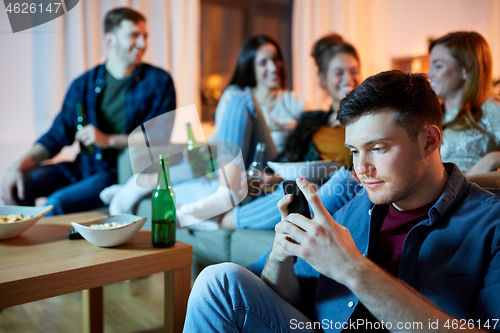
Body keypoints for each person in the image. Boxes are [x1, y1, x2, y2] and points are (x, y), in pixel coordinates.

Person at [183, 70, 500, 332]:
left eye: (377, 148)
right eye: (354, 151)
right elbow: (292, 303)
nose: (361, 169)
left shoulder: (490, 223)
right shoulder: (355, 207)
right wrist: (282, 256)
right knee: (218, 281)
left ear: (429, 140)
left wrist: (353, 269)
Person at [102, 35, 303, 217]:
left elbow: (304, 143)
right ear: (250, 66)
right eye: (263, 62)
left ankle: (224, 193)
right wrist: (204, 150)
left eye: (276, 59)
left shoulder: (292, 102)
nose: (273, 67)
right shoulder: (233, 95)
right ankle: (138, 185)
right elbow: (222, 139)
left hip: (264, 165)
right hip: (231, 162)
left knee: (242, 102)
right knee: (203, 158)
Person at [0, 7, 176, 215]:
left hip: (116, 174)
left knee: (57, 203)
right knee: (22, 185)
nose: (142, 44)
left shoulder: (158, 81)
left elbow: (157, 137)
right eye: (134, 35)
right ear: (110, 40)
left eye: (145, 36)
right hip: (83, 167)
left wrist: (107, 140)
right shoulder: (84, 84)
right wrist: (17, 166)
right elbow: (56, 135)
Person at [219, 34, 362, 230]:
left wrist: (351, 115)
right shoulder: (312, 120)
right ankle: (226, 205)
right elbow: (290, 160)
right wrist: (272, 177)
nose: (348, 78)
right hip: (299, 184)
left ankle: (228, 220)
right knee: (293, 189)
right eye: (339, 72)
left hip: (333, 188)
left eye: (354, 71)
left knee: (307, 190)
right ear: (322, 80)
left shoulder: (367, 121)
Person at [427, 31, 500, 175]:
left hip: (473, 195)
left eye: (438, 66)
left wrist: (493, 159)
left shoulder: (490, 109)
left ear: (466, 70)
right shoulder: (432, 116)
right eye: (431, 65)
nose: (429, 73)